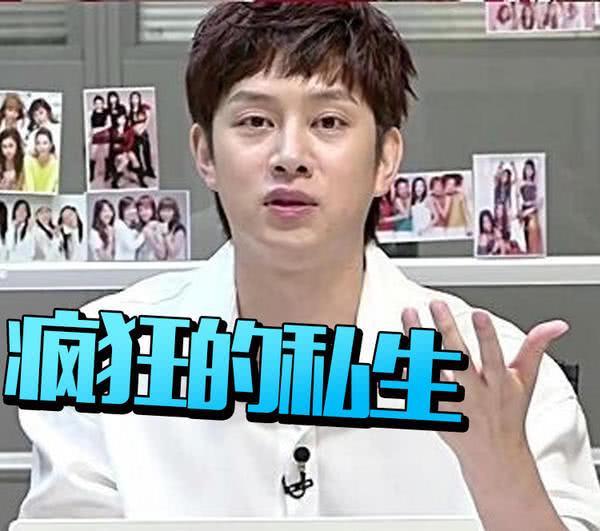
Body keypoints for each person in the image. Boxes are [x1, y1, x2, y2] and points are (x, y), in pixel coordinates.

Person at [16, 3, 600, 530]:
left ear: (385, 159)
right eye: (255, 122)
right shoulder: (99, 363)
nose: (290, 156)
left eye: (329, 122)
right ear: (204, 153)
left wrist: (501, 471)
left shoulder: (507, 387)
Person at [129, 91, 157, 184]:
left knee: (146, 152)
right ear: (131, 100)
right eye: (133, 98)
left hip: (143, 133)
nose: (135, 100)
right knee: (136, 153)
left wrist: (142, 129)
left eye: (136, 98)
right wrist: (134, 130)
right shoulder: (130, 111)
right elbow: (129, 124)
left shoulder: (144, 108)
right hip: (134, 134)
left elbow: (148, 120)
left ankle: (149, 170)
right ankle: (140, 171)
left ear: (139, 99)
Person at [518, 158, 543, 255]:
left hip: (534, 211)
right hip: (526, 210)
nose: (529, 171)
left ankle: (534, 252)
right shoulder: (521, 182)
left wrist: (537, 204)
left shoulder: (534, 183)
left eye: (531, 169)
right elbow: (517, 199)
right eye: (527, 169)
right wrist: (520, 214)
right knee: (527, 235)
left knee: (536, 234)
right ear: (524, 170)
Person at [23, 128, 59, 193]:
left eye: (45, 143)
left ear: (51, 145)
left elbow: (50, 189)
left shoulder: (56, 164)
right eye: (38, 143)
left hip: (49, 198)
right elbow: (30, 189)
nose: (41, 146)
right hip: (30, 197)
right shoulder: (28, 161)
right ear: (35, 146)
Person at [157, 196, 187, 260]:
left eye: (169, 211)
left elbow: (173, 254)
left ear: (174, 212)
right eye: (163, 210)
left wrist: (165, 234)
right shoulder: (159, 226)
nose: (165, 214)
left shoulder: (179, 229)